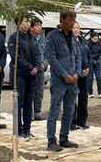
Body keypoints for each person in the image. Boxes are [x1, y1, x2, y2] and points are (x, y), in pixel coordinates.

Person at [45, 10, 81, 151]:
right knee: (54, 110)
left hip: (73, 80)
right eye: (70, 20)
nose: (73, 23)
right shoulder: (52, 37)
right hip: (60, 80)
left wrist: (77, 73)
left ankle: (64, 138)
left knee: (69, 110)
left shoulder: (73, 37)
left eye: (74, 20)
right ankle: (51, 140)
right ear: (62, 20)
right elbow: (52, 59)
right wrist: (65, 75)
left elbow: (77, 56)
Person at [8, 16, 41, 139]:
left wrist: (37, 67)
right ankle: (19, 130)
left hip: (32, 74)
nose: (28, 24)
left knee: (29, 103)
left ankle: (27, 129)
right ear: (18, 23)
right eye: (25, 22)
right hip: (20, 74)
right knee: (19, 102)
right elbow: (15, 57)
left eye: (29, 22)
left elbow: (37, 53)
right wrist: (29, 67)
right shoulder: (14, 37)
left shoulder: (32, 36)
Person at [71, 21, 91, 130]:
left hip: (84, 74)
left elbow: (89, 56)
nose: (75, 30)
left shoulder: (84, 42)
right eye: (73, 28)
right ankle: (72, 122)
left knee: (83, 98)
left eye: (77, 28)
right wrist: (77, 71)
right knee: (72, 99)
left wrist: (87, 68)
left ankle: (81, 121)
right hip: (74, 74)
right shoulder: (69, 42)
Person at [30, 18, 48, 121]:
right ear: (31, 27)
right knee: (30, 92)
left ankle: (38, 113)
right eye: (37, 25)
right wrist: (35, 66)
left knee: (39, 92)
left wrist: (44, 64)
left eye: (40, 25)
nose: (39, 27)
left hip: (41, 71)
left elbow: (47, 54)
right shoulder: (28, 38)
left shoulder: (42, 39)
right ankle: (30, 113)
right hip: (32, 70)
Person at [87, 32, 101, 98]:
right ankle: (90, 93)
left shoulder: (100, 44)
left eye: (97, 39)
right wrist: (92, 59)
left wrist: (95, 57)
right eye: (94, 39)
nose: (95, 40)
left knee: (99, 78)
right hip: (90, 62)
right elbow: (88, 53)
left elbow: (100, 52)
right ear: (91, 38)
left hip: (98, 62)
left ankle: (100, 93)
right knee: (90, 78)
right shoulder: (88, 44)